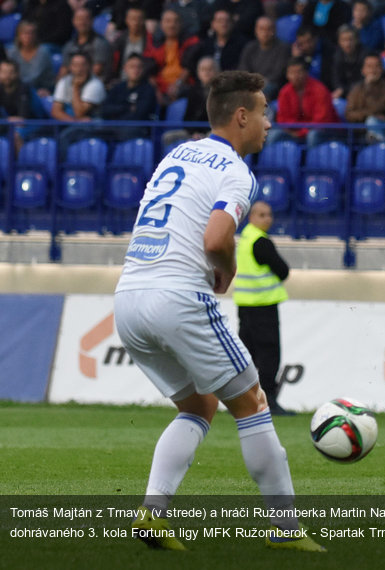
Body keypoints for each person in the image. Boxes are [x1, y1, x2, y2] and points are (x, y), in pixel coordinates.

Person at [114, 69, 324, 552]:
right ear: (242, 115)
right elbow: (214, 238)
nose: (270, 124)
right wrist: (225, 269)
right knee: (252, 403)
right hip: (179, 297)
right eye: (265, 112)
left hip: (129, 296)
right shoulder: (235, 170)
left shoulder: (175, 154)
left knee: (198, 405)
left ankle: (153, 515)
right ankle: (286, 532)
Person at [234, 201, 293, 417]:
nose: (267, 219)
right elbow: (283, 270)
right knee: (269, 356)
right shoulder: (260, 241)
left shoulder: (245, 238)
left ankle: (240, 402)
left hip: (245, 306)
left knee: (246, 356)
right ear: (251, 217)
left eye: (269, 214)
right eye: (261, 215)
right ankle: (269, 402)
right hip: (263, 306)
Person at [237, 15, 291, 101]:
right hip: (251, 84)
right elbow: (243, 69)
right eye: (261, 29)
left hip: (271, 87)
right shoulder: (250, 47)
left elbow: (278, 74)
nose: (265, 33)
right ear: (256, 30)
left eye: (269, 29)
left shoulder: (283, 48)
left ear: (275, 30)